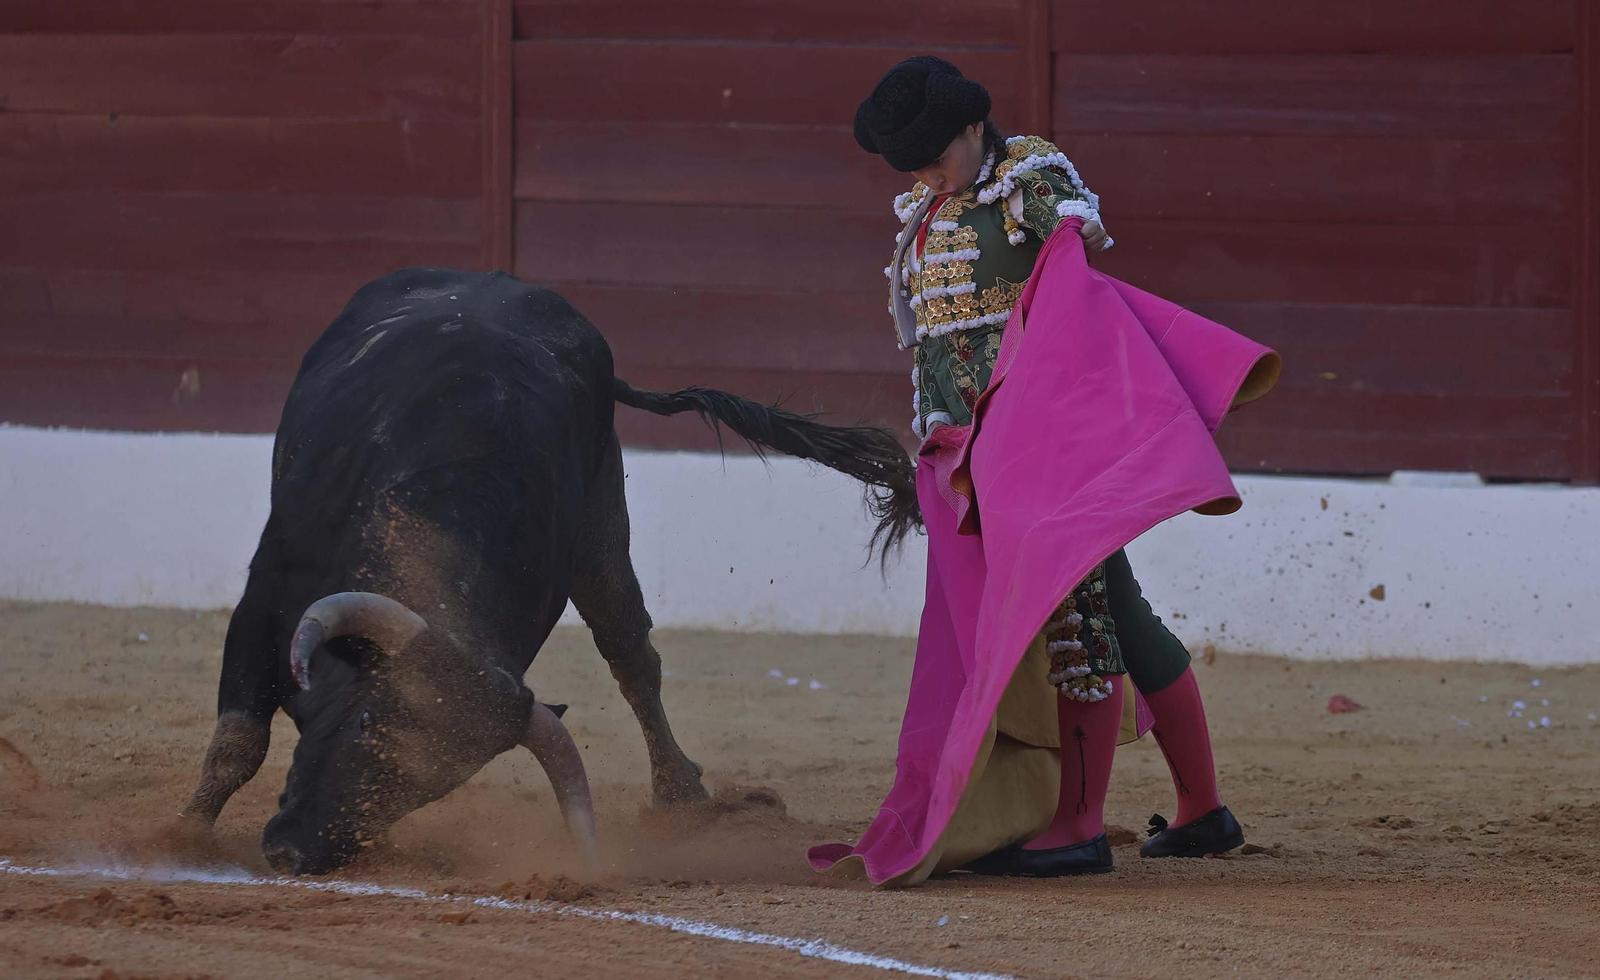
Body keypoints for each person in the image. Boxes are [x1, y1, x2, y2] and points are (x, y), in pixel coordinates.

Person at [809, 57, 1279, 885]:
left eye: (932, 156)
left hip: (1041, 443)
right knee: (1118, 612)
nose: (924, 174)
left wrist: (1033, 412)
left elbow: (1073, 278)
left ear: (971, 127)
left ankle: (1080, 826)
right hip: (976, 452)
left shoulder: (1029, 175)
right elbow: (938, 347)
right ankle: (1204, 811)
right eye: (912, 164)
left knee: (1079, 622)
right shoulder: (929, 208)